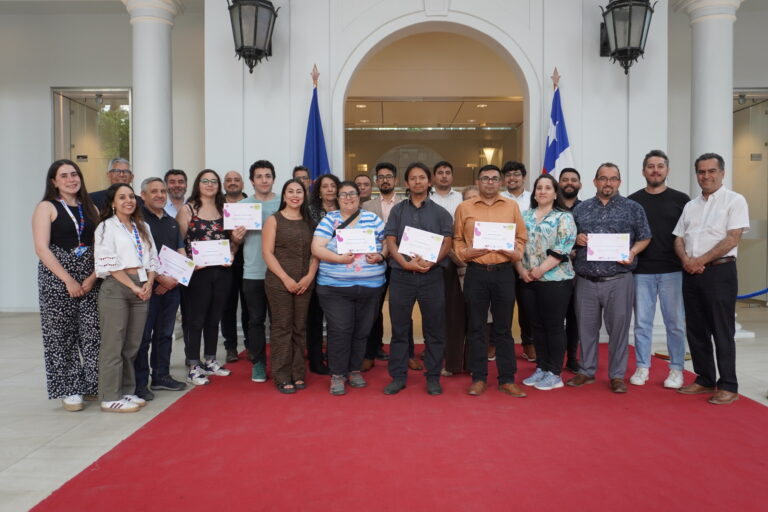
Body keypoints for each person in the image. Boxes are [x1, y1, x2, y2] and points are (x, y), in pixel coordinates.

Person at [673, 152, 749, 405]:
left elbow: (732, 238)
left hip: (720, 272)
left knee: (721, 329)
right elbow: (679, 238)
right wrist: (686, 260)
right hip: (691, 273)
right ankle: (705, 379)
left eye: (711, 171)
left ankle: (728, 384)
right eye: (701, 172)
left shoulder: (735, 201)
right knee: (696, 329)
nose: (706, 176)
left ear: (722, 173)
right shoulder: (690, 205)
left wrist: (699, 261)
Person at [568, 163, 651, 393]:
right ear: (595, 182)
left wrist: (632, 252)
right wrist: (577, 240)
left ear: (619, 182)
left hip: (619, 279)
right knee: (585, 329)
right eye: (603, 178)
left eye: (613, 179)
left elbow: (645, 237)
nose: (608, 183)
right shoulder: (580, 209)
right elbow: (567, 242)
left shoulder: (633, 208)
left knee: (619, 330)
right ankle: (586, 370)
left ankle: (616, 376)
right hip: (586, 279)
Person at [454, 164, 528, 397]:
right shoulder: (464, 207)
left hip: (504, 272)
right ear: (478, 181)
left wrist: (514, 251)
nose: (490, 182)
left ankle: (507, 379)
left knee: (503, 328)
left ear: (501, 182)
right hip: (476, 272)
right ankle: (479, 377)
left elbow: (521, 237)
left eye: (494, 178)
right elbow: (457, 239)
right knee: (476, 327)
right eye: (485, 178)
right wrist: (467, 254)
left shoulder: (511, 206)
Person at [32, 159, 101, 412]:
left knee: (93, 333)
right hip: (58, 279)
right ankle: (70, 388)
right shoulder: (46, 207)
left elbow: (100, 244)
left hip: (90, 278)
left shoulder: (90, 206)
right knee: (61, 335)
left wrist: (92, 277)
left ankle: (93, 384)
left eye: (74, 174)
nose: (71, 179)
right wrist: (68, 280)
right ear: (54, 182)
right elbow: (41, 247)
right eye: (64, 176)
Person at [383, 163, 453, 395]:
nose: (417, 182)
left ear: (429, 181)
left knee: (434, 330)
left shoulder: (441, 212)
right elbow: (391, 239)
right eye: (413, 178)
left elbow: (447, 242)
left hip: (432, 276)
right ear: (406, 183)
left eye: (422, 177)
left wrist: (432, 262)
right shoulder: (397, 211)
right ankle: (398, 376)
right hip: (402, 276)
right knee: (400, 329)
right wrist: (403, 263)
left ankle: (433, 377)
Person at [311, 181, 387, 396]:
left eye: (352, 193)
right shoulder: (330, 220)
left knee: (362, 331)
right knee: (340, 330)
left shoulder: (372, 219)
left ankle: (354, 370)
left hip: (370, 286)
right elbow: (316, 247)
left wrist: (381, 254)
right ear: (337, 198)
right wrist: (338, 258)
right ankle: (337, 374)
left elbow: (388, 242)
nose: (348, 198)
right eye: (343, 194)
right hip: (335, 287)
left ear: (359, 196)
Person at [628, 150, 690, 389]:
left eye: (660, 166)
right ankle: (642, 367)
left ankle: (676, 370)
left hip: (673, 270)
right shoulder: (633, 201)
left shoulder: (681, 199)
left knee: (674, 323)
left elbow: (688, 235)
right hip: (641, 270)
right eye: (650, 166)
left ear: (667, 170)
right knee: (642, 323)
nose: (655, 170)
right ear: (643, 171)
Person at [94, 183, 159, 412]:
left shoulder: (142, 226)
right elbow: (109, 263)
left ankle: (127, 391)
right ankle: (109, 396)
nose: (128, 201)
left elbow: (152, 258)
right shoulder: (105, 228)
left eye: (131, 196)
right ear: (113, 203)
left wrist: (149, 282)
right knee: (114, 343)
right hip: (117, 288)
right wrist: (133, 286)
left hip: (142, 286)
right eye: (122, 197)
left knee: (133, 344)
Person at [177, 170, 244, 386]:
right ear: (198, 184)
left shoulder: (226, 210)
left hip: (222, 272)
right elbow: (178, 243)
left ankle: (210, 360)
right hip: (197, 274)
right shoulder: (188, 209)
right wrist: (190, 265)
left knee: (215, 317)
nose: (209, 184)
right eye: (205, 180)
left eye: (213, 181)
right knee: (196, 319)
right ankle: (193, 365)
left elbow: (232, 244)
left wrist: (233, 249)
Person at [515, 174, 577, 391]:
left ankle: (555, 372)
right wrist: (522, 271)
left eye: (547, 188)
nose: (542, 191)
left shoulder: (564, 217)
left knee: (553, 326)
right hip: (528, 280)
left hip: (555, 280)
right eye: (538, 187)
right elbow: (516, 248)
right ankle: (541, 366)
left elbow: (563, 247)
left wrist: (540, 270)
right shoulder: (524, 216)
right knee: (536, 326)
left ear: (555, 192)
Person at [133, 178, 188, 401]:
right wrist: (158, 280)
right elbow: (138, 256)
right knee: (144, 336)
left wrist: (175, 278)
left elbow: (180, 249)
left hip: (171, 287)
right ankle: (140, 382)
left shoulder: (171, 221)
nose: (159, 195)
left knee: (165, 334)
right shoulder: (137, 222)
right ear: (143, 195)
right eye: (153, 191)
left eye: (162, 191)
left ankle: (161, 375)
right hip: (147, 287)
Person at [262, 179, 319, 393]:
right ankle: (281, 374)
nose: (295, 195)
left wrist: (309, 277)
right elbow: (267, 253)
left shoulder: (309, 221)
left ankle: (298, 373)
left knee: (299, 328)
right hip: (279, 283)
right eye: (290, 191)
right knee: (282, 328)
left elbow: (316, 253)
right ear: (284, 196)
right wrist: (286, 279)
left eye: (299, 192)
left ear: (304, 196)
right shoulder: (274, 220)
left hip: (305, 283)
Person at [362, 163, 416, 371]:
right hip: (375, 262)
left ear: (395, 180)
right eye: (381, 177)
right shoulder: (366, 206)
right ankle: (371, 352)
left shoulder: (407, 203)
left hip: (401, 262)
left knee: (403, 310)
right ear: (376, 181)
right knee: (373, 310)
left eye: (389, 176)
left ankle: (408, 354)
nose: (385, 180)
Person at [239, 161, 281, 383]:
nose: (264, 180)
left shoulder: (284, 203)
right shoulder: (242, 206)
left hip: (279, 272)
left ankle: (280, 362)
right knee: (255, 320)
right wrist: (235, 237)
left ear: (273, 178)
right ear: (252, 180)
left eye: (268, 175)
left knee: (279, 320)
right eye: (259, 176)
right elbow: (235, 244)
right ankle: (258, 364)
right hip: (253, 271)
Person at [428, 160, 467, 376]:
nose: (444, 176)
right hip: (432, 258)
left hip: (458, 260)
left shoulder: (461, 199)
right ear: (434, 177)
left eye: (447, 172)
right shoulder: (427, 198)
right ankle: (434, 350)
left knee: (454, 310)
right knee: (434, 308)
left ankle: (453, 354)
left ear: (452, 176)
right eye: (440, 172)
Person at [305, 173, 341, 374]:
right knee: (315, 318)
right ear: (318, 191)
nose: (329, 189)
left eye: (333, 185)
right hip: (315, 268)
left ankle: (336, 356)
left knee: (337, 319)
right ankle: (316, 359)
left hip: (341, 270)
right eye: (325, 186)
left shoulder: (346, 210)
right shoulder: (309, 212)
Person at [500, 160, 535, 362]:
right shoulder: (497, 198)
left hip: (528, 258)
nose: (512, 178)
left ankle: (528, 343)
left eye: (516, 174)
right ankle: (495, 343)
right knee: (501, 304)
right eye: (508, 175)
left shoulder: (534, 198)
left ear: (523, 177)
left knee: (526, 304)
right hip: (502, 258)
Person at [221, 170, 250, 363]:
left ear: (243, 184)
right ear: (224, 184)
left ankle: (250, 345)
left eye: (236, 180)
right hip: (225, 261)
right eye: (229, 180)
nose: (233, 183)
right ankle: (231, 346)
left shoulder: (251, 203)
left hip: (249, 260)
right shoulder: (216, 204)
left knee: (250, 306)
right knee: (227, 306)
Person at [558, 167, 583, 373]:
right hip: (553, 270)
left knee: (574, 317)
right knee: (554, 317)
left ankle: (572, 357)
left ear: (580, 185)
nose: (569, 183)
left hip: (579, 272)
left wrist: (577, 249)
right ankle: (552, 358)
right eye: (565, 179)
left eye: (573, 180)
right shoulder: (550, 208)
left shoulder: (587, 208)